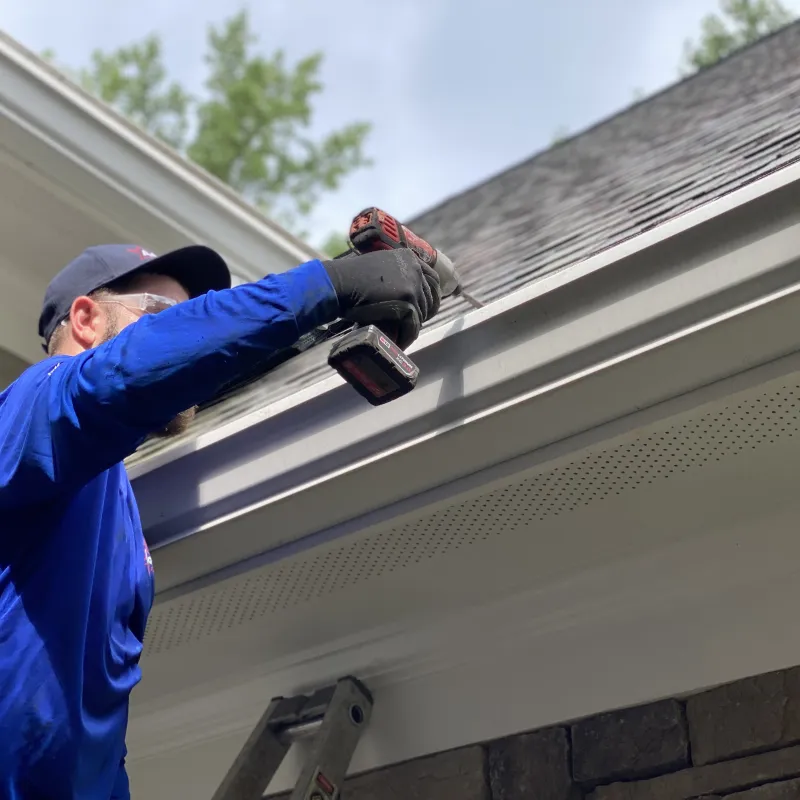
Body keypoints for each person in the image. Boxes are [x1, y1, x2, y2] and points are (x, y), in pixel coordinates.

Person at [0, 242, 441, 799]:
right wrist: (328, 285)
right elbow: (125, 374)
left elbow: (97, 724)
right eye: (165, 315)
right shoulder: (26, 411)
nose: (185, 330)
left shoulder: (115, 516)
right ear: (85, 320)